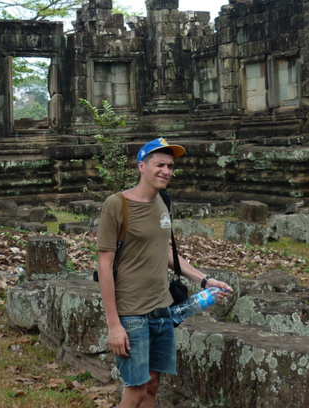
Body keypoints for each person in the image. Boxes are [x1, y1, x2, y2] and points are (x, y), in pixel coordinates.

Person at [96, 138, 232, 408]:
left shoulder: (163, 201)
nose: (166, 171)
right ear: (141, 167)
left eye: (170, 167)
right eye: (160, 165)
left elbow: (165, 252)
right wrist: (114, 324)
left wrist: (205, 279)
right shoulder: (117, 204)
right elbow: (104, 265)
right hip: (132, 313)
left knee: (153, 385)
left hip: (162, 311)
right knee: (135, 390)